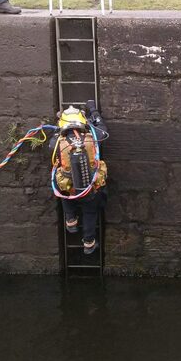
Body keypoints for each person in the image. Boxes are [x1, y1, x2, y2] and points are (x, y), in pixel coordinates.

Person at [51, 100, 109, 255]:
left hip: (68, 189)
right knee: (90, 213)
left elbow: (51, 148)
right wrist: (93, 111)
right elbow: (103, 128)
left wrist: (58, 128)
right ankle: (89, 243)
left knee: (61, 184)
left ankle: (71, 220)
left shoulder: (57, 142)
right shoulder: (95, 136)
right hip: (91, 188)